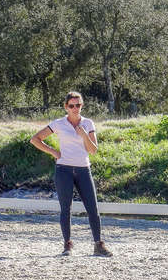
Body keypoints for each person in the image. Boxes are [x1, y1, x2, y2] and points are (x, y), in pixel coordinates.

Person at [30, 92, 112, 257]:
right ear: (66, 107)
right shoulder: (59, 123)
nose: (75, 108)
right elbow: (35, 139)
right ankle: (68, 245)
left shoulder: (88, 123)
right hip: (64, 170)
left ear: (82, 105)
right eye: (72, 106)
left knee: (93, 209)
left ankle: (98, 244)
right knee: (65, 209)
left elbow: (93, 150)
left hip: (83, 169)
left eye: (78, 105)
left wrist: (83, 135)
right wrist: (54, 152)